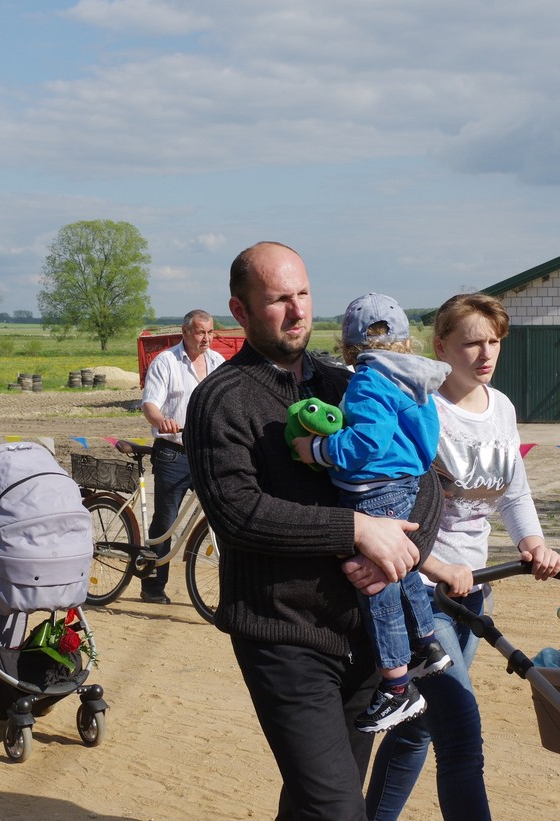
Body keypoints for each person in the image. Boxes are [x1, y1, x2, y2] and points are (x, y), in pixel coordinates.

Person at [184, 242, 442, 821]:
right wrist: (356, 529)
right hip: (284, 636)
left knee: (314, 804)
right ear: (241, 311)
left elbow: (422, 476)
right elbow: (239, 512)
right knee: (336, 810)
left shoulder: (349, 381)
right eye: (278, 299)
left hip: (365, 635)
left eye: (302, 294)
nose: (298, 311)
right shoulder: (219, 401)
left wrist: (396, 553)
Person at [365, 292, 560, 821]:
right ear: (441, 347)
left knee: (418, 731)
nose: (485, 353)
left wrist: (532, 542)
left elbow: (514, 490)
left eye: (494, 341)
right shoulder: (419, 409)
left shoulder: (501, 407)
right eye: (471, 341)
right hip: (422, 594)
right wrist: (433, 565)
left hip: (473, 590)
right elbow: (386, 507)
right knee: (461, 735)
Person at [292, 292, 453, 734]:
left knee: (376, 585)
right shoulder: (415, 379)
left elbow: (367, 444)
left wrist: (316, 450)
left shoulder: (368, 381)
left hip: (373, 492)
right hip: (403, 484)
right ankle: (427, 645)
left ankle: (397, 687)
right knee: (402, 572)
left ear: (348, 349)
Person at [137, 309, 225, 604]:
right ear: (185, 332)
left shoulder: (217, 362)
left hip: (207, 454)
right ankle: (152, 584)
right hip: (173, 454)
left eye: (210, 332)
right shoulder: (166, 362)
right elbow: (149, 403)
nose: (206, 338)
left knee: (222, 515)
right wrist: (161, 420)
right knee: (166, 521)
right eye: (201, 332)